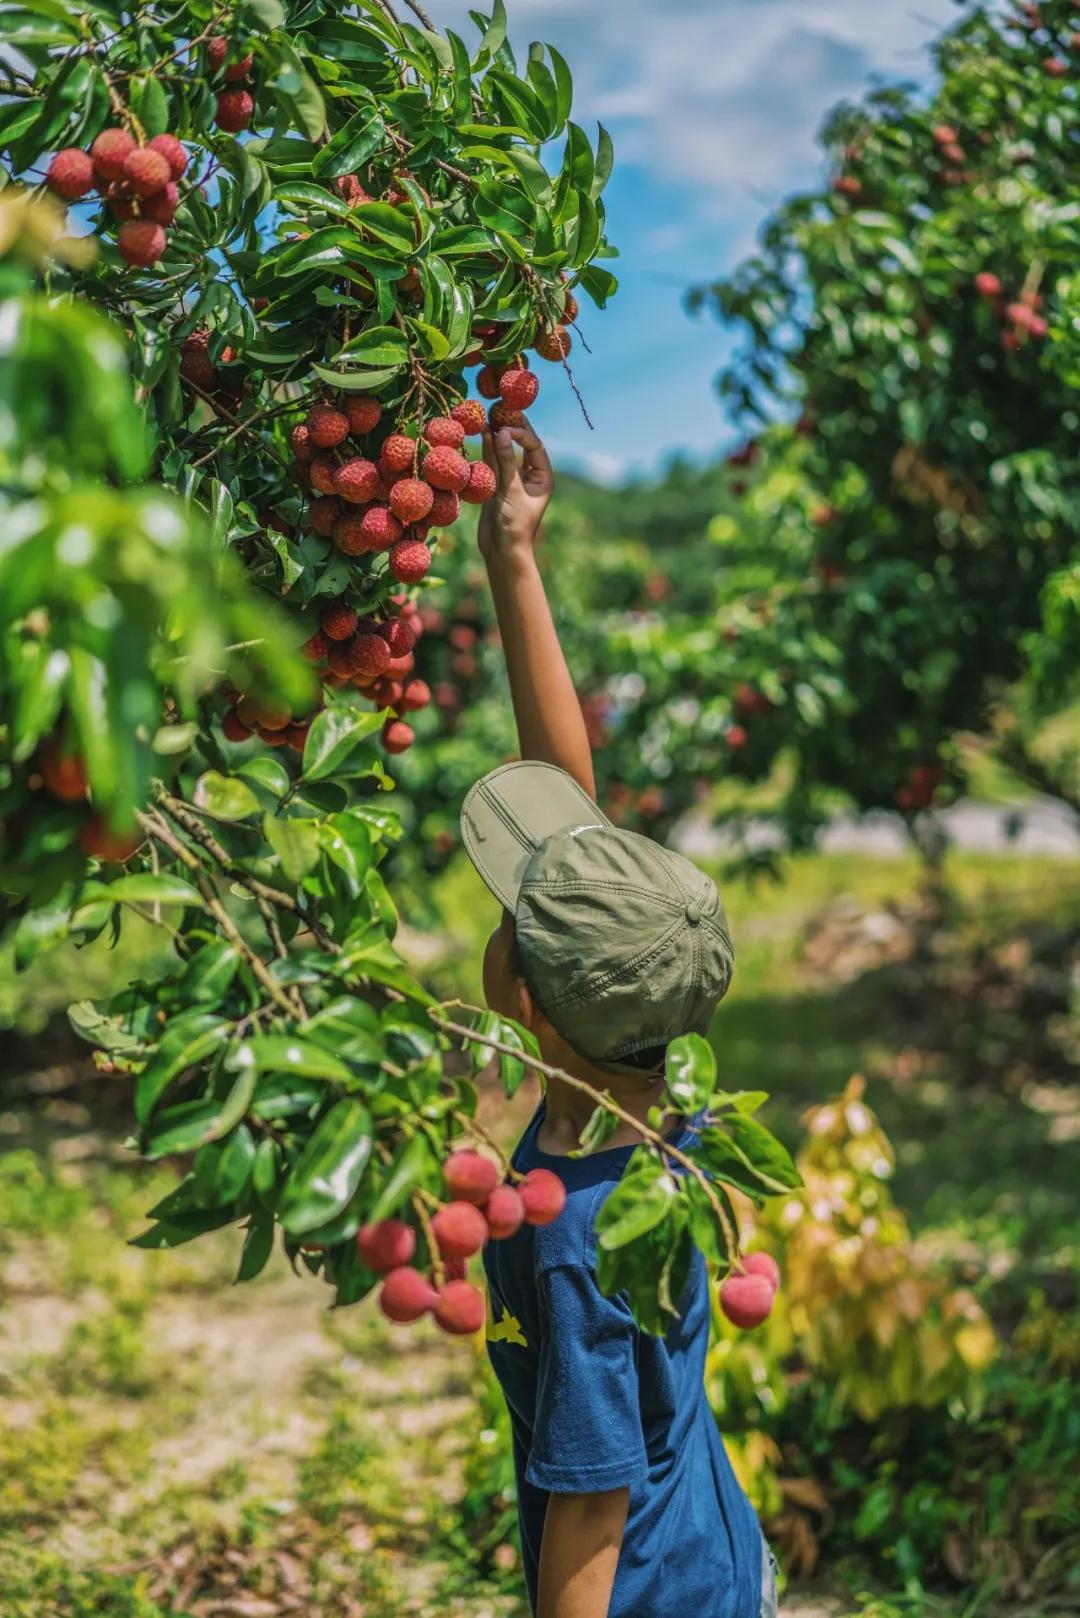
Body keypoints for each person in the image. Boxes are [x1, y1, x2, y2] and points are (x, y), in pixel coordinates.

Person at [461, 422, 779, 1618]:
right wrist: (513, 554)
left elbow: (591, 1508)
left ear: (528, 1002)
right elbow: (571, 808)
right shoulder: (671, 1103)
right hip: (716, 1562)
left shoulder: (571, 1239)